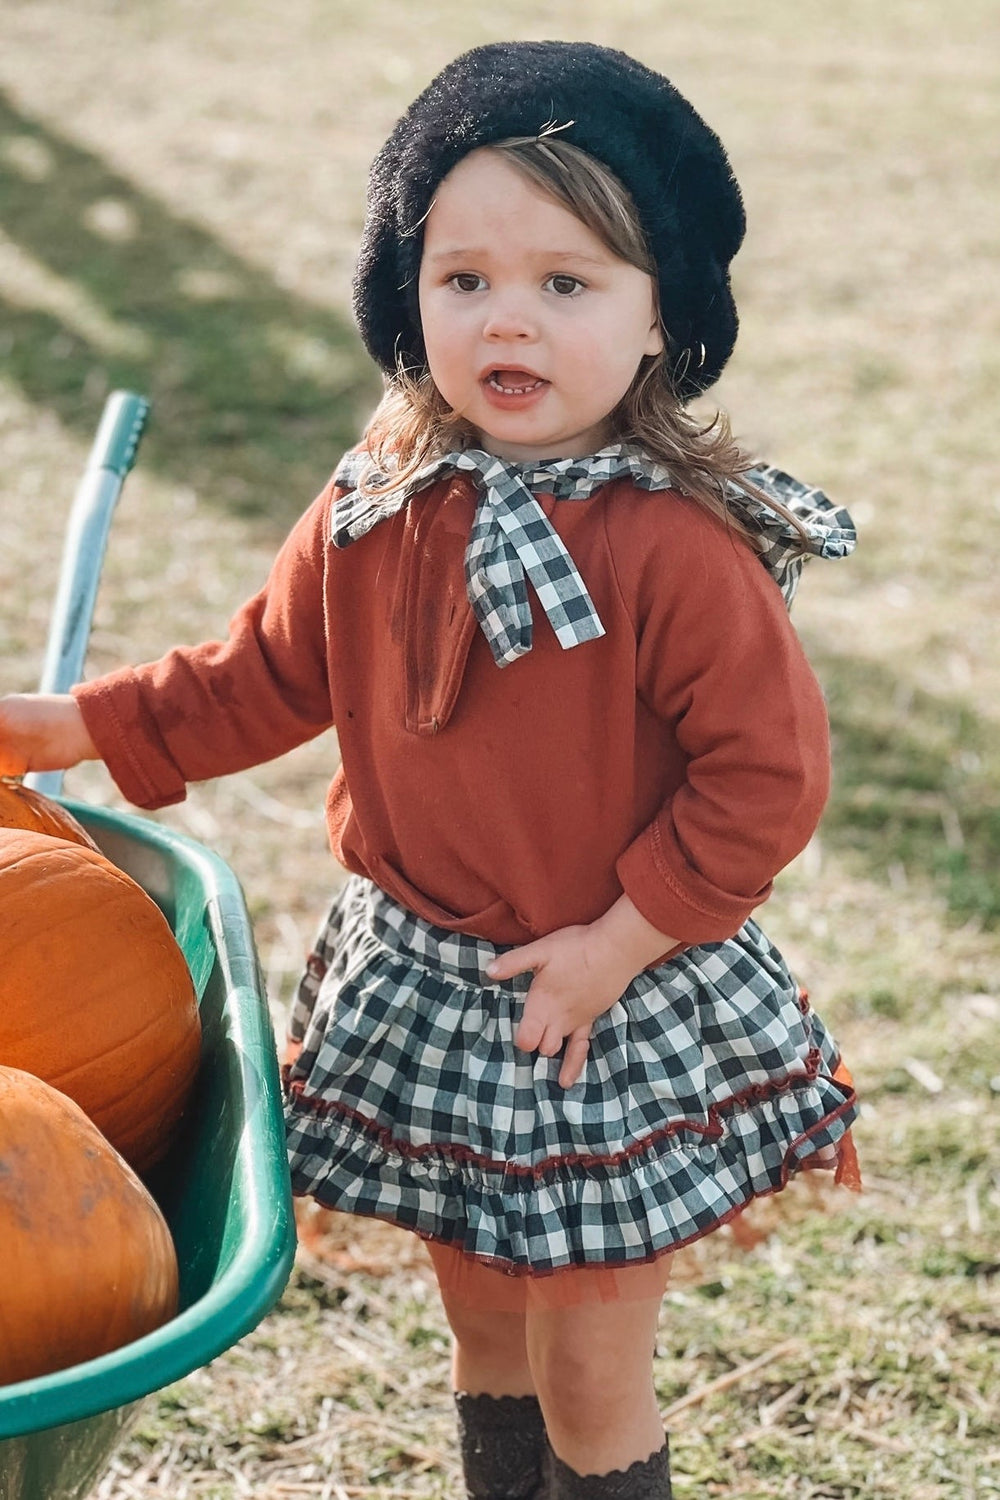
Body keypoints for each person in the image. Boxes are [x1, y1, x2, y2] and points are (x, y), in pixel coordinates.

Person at [0, 41, 862, 1500]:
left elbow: (763, 780)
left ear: (664, 321)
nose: (506, 319)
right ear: (407, 298)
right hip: (428, 981)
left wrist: (621, 939)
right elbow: (264, 675)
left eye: (566, 283)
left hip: (602, 998)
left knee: (592, 1367)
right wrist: (76, 725)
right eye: (463, 279)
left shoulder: (671, 550)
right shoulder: (375, 503)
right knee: (483, 1330)